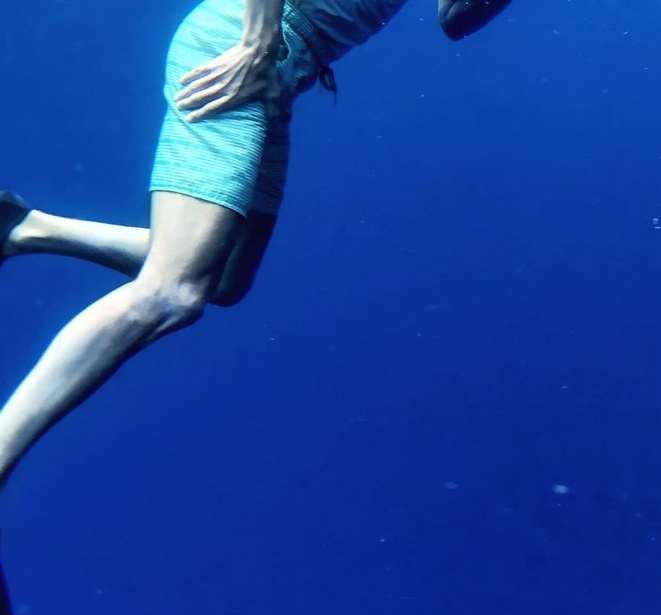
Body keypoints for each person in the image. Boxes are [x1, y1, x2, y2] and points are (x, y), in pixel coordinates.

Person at [0, 0, 513, 485]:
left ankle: (24, 228)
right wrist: (258, 43)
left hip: (281, 74)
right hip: (240, 50)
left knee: (225, 278)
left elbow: (454, 18)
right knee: (170, 292)